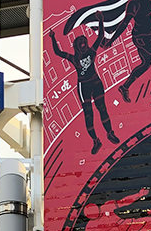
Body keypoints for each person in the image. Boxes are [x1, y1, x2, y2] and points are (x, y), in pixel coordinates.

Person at [50, 14, 119, 155]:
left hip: (95, 83)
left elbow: (100, 37)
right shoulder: (76, 57)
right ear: (77, 46)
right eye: (80, 44)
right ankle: (96, 140)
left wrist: (101, 20)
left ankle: (109, 133)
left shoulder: (87, 53)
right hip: (84, 87)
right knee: (89, 115)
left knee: (102, 109)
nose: (83, 46)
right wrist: (52, 38)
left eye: (83, 43)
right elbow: (57, 52)